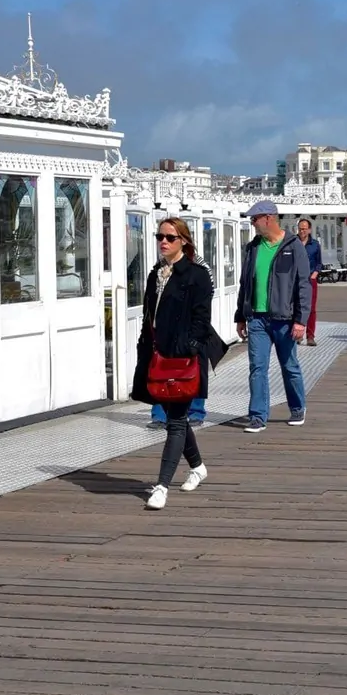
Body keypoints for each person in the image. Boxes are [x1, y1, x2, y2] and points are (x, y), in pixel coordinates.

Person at [131, 218, 226, 508]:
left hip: (184, 357)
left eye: (170, 237)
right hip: (159, 356)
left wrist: (191, 348)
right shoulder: (154, 274)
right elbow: (150, 317)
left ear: (183, 240)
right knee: (178, 417)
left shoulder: (196, 274)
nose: (163, 242)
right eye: (159, 236)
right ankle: (197, 467)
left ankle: (161, 487)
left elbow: (202, 318)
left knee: (174, 421)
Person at [235, 200, 312, 432]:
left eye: (254, 219)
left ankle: (298, 408)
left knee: (289, 366)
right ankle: (258, 416)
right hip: (257, 318)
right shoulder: (253, 248)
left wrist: (301, 320)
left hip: (285, 318)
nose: (252, 223)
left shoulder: (293, 245)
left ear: (268, 218)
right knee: (257, 367)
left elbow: (303, 285)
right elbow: (245, 284)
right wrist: (240, 315)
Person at [297, 218, 323, 346]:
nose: (302, 231)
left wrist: (315, 274)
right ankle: (297, 335)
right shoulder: (293, 242)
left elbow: (319, 263)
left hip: (310, 279)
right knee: (296, 307)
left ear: (309, 229)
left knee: (311, 308)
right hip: (295, 280)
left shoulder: (315, 244)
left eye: (304, 228)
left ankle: (310, 336)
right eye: (300, 228)